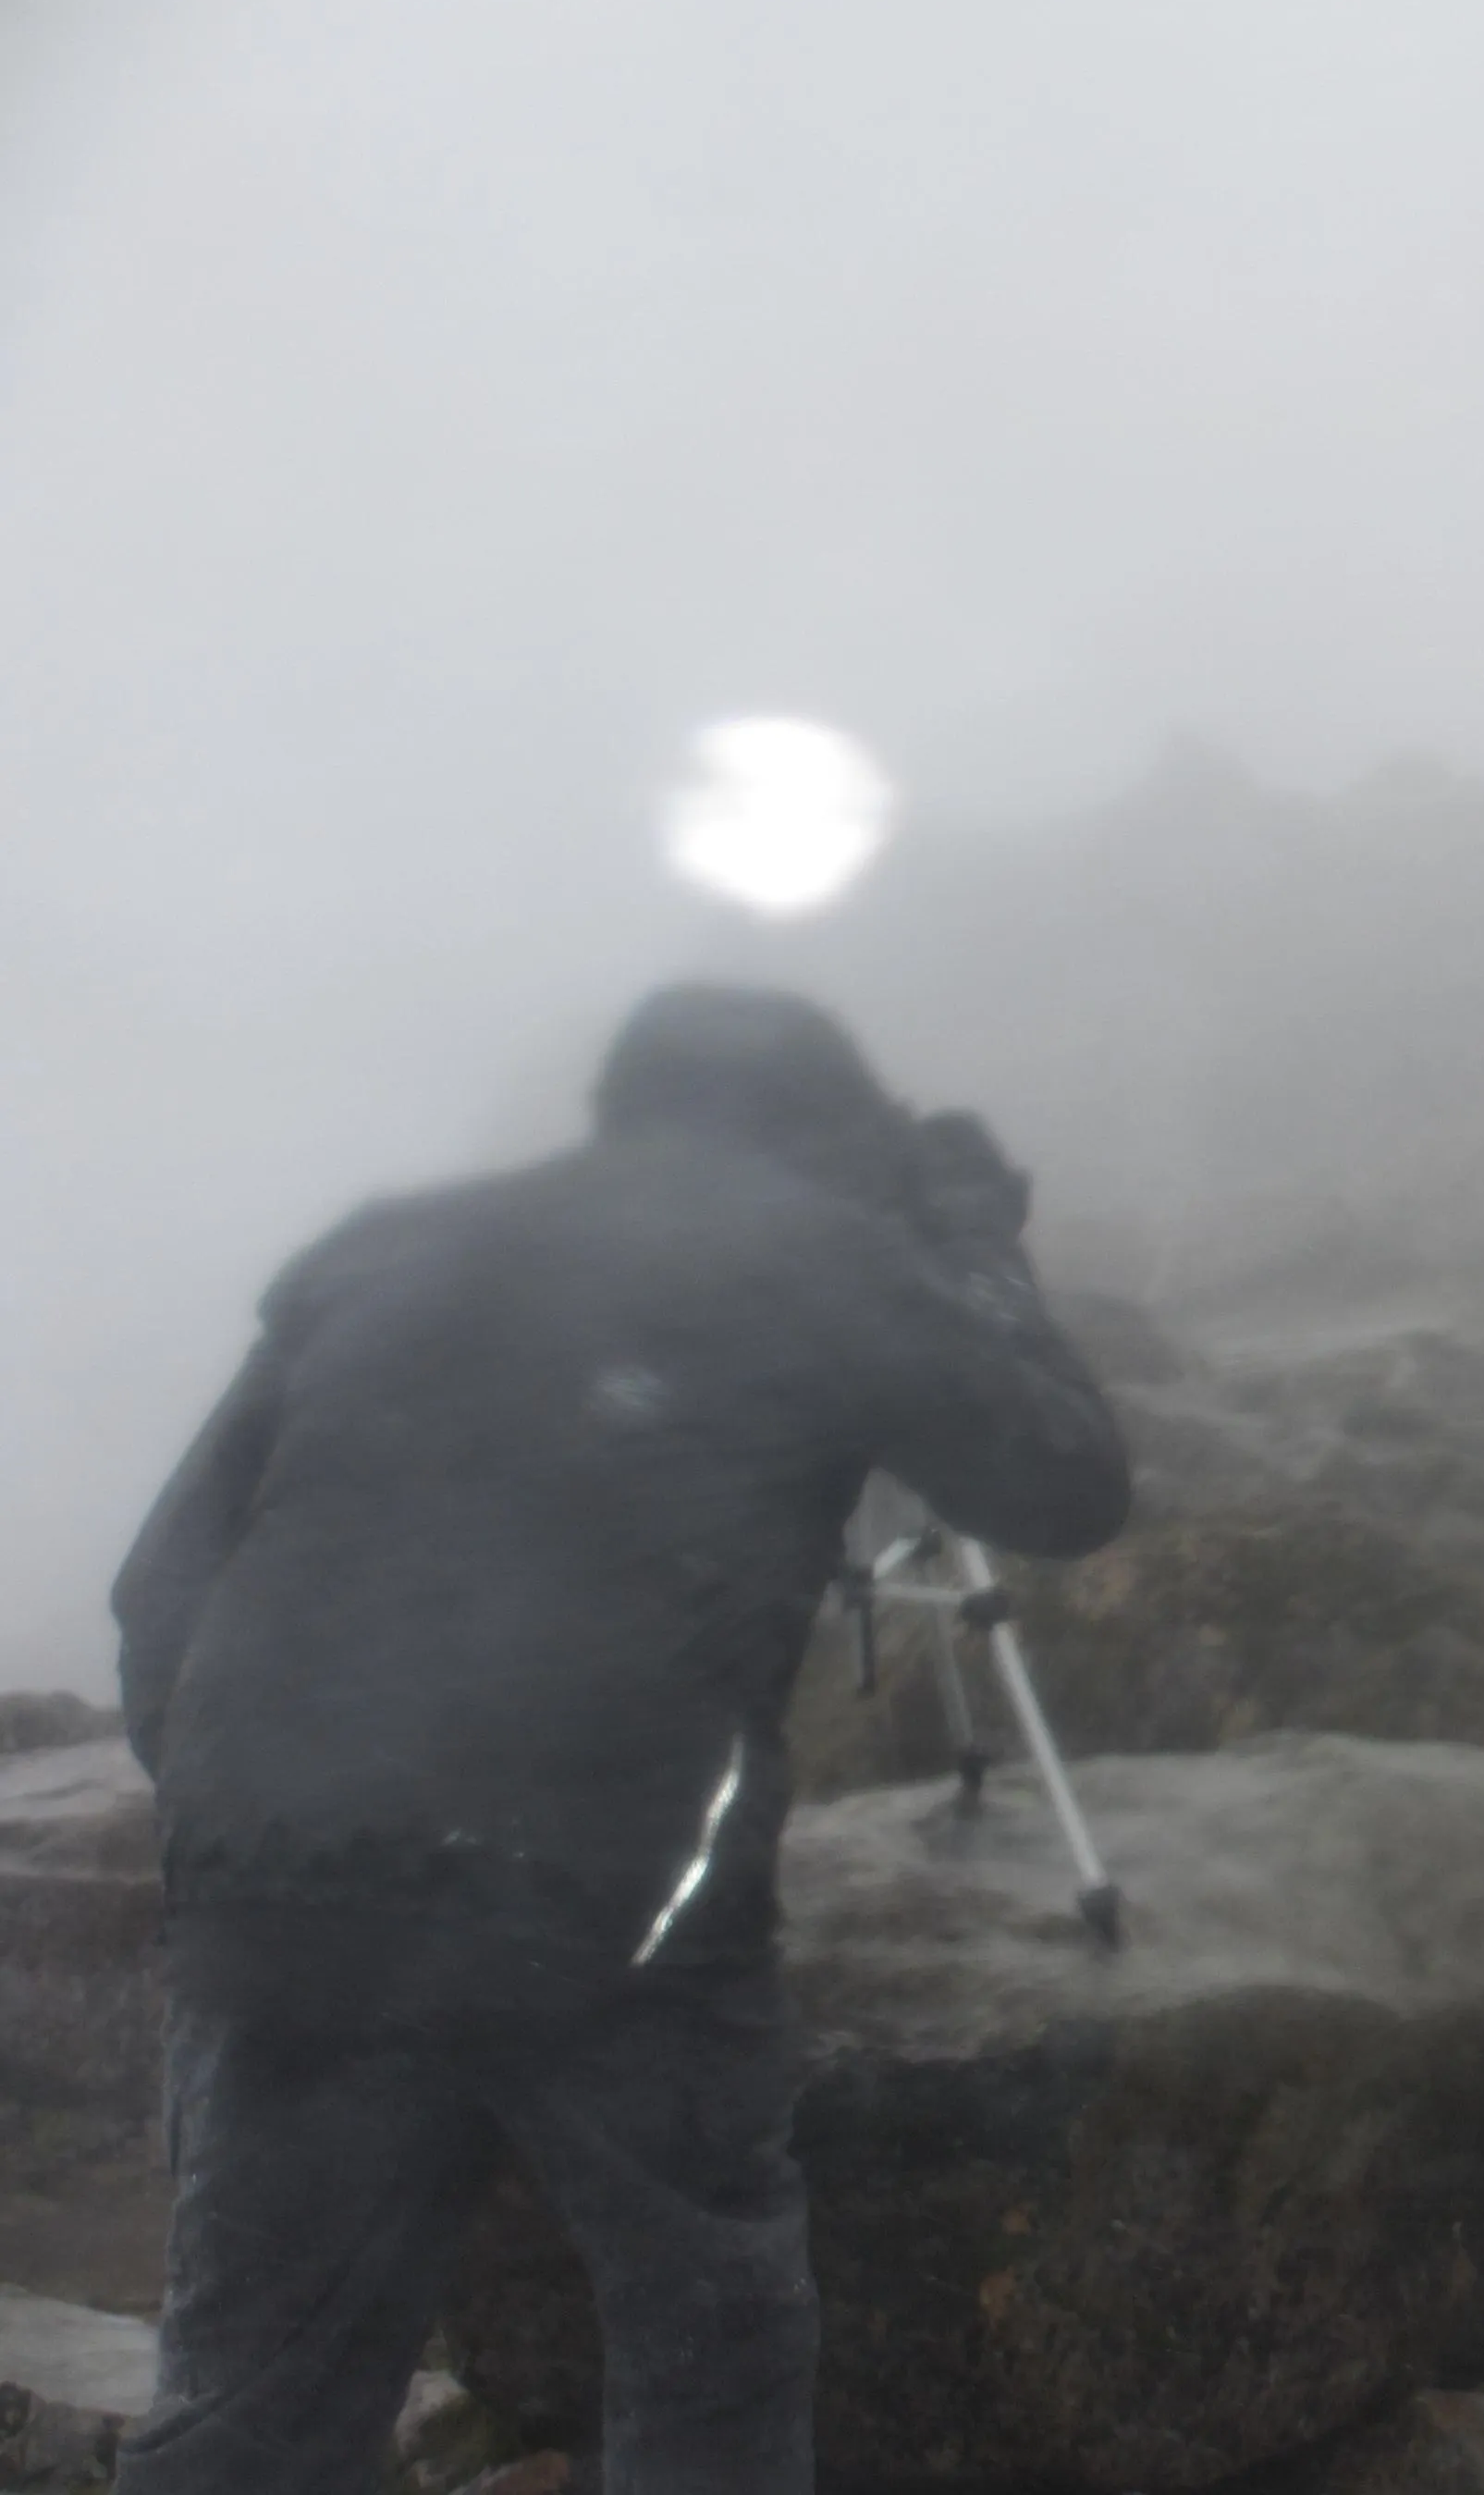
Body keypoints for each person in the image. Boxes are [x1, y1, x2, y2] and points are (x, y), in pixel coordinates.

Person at [107, 984, 1131, 2495]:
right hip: (609, 1906)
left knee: (250, 2414)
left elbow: (159, 1586)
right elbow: (1064, 1484)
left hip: (275, 1887)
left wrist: (245, 1800)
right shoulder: (826, 1251)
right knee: (706, 2358)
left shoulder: (380, 1246)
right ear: (835, 1132)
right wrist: (971, 1243)